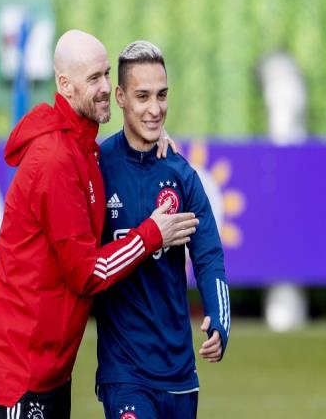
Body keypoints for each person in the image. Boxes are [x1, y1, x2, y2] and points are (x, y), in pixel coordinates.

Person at [0, 30, 199, 419]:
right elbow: (86, 273)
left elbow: (30, 244)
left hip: (53, 367)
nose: (104, 88)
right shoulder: (56, 159)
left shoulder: (84, 149)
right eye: (93, 78)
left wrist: (152, 135)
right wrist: (151, 234)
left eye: (106, 74)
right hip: (25, 370)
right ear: (65, 85)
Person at [94, 41, 230, 419]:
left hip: (180, 373)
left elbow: (208, 255)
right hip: (124, 373)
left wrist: (220, 319)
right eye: (143, 96)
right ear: (120, 97)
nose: (155, 109)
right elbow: (54, 243)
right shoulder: (97, 168)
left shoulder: (181, 175)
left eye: (162, 95)